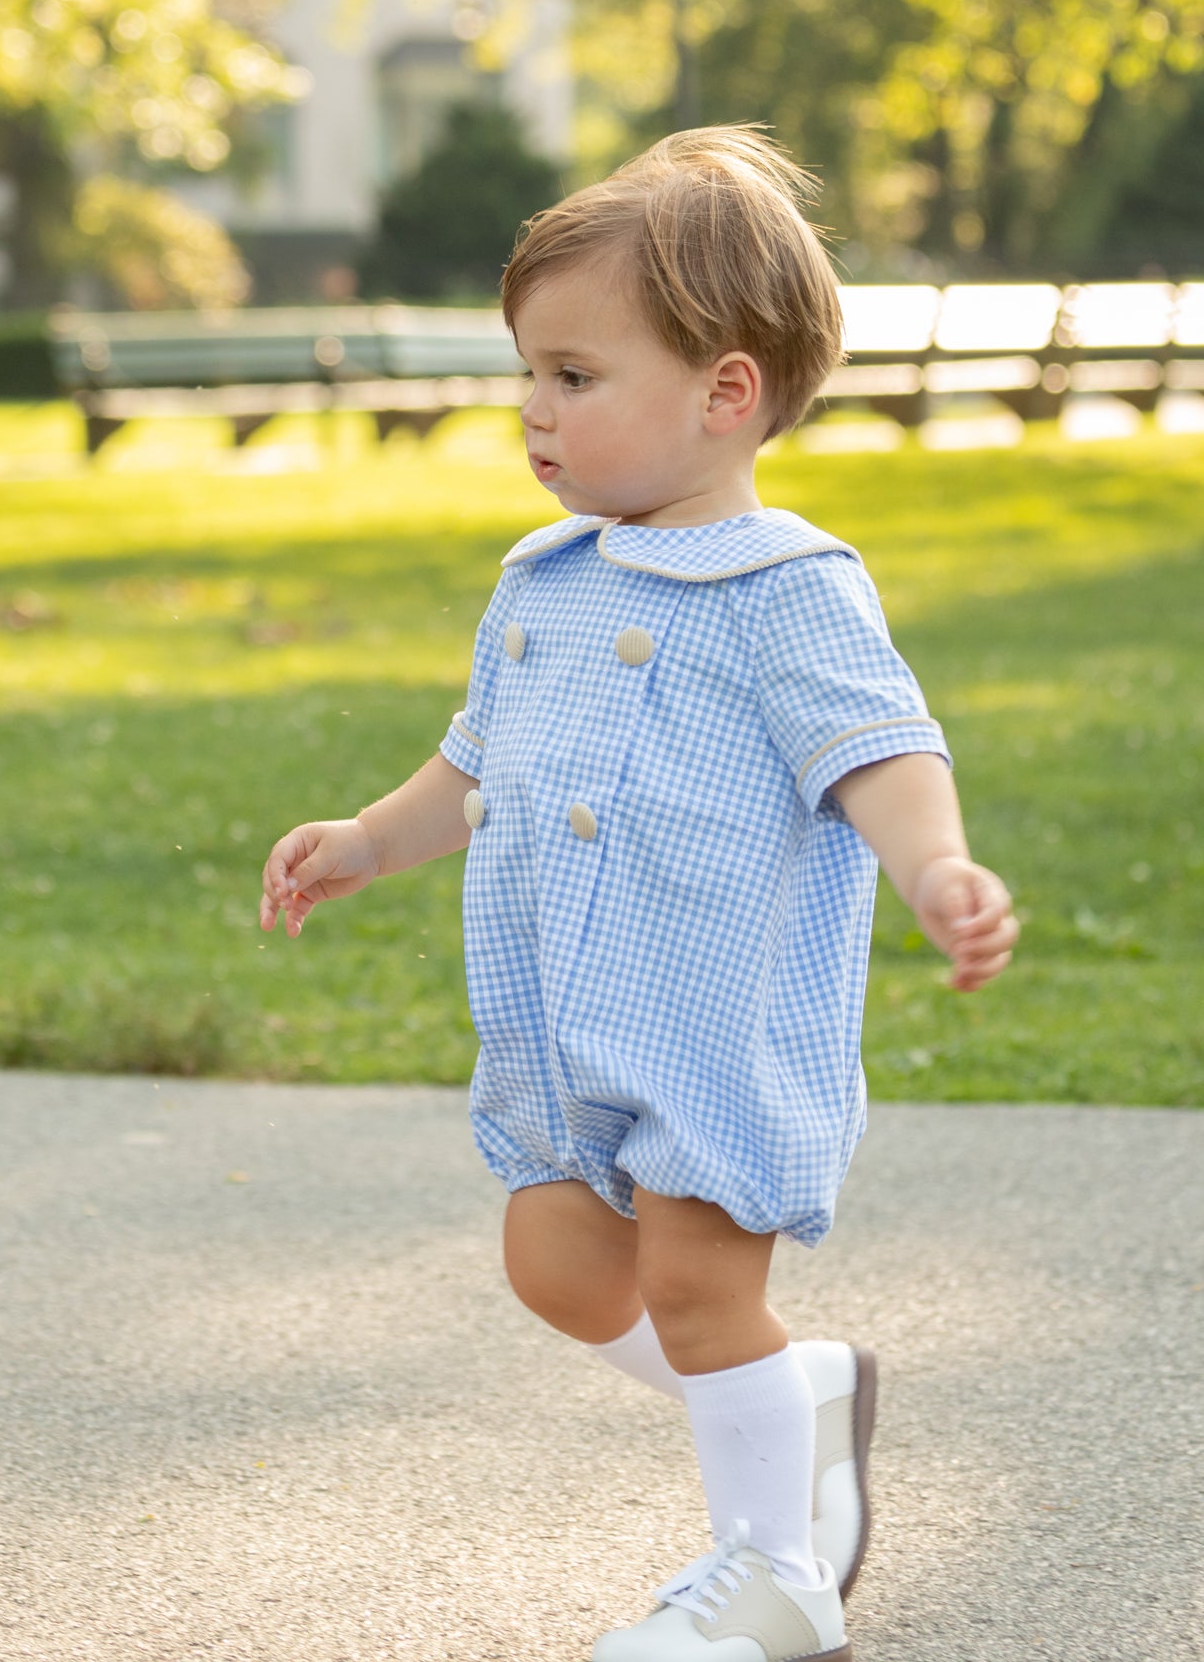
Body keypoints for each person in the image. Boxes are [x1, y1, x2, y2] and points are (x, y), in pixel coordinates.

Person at [256, 127, 1017, 1662]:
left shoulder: (787, 585)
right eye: (528, 374)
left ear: (725, 392)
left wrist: (932, 864)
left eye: (576, 378)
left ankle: (776, 1576)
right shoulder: (543, 579)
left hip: (707, 1015)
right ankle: (793, 1398)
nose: (534, 412)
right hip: (562, 1021)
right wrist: (367, 838)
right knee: (555, 1265)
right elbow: (476, 764)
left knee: (694, 1284)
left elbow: (881, 745)